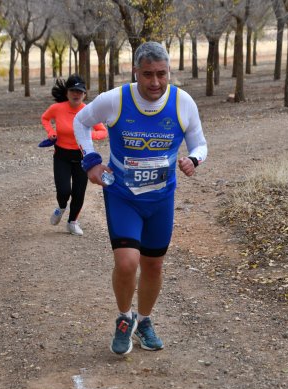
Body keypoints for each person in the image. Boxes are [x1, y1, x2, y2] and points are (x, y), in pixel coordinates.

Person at [74, 41, 208, 355]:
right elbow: (80, 122)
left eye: (162, 74)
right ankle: (124, 319)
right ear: (136, 72)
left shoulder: (182, 102)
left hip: (161, 199)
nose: (155, 82)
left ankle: (144, 321)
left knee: (153, 265)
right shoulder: (116, 100)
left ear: (169, 72)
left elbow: (200, 143)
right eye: (147, 74)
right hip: (123, 196)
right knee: (127, 262)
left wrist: (194, 160)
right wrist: (91, 161)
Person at [41, 75, 107, 236]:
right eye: (73, 90)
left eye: (80, 91)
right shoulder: (57, 108)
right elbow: (45, 118)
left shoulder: (88, 111)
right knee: (64, 191)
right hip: (61, 156)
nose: (76, 94)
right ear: (67, 92)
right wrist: (51, 132)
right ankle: (61, 207)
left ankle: (72, 222)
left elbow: (103, 131)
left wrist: (85, 135)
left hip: (82, 158)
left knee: (79, 193)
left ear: (84, 94)